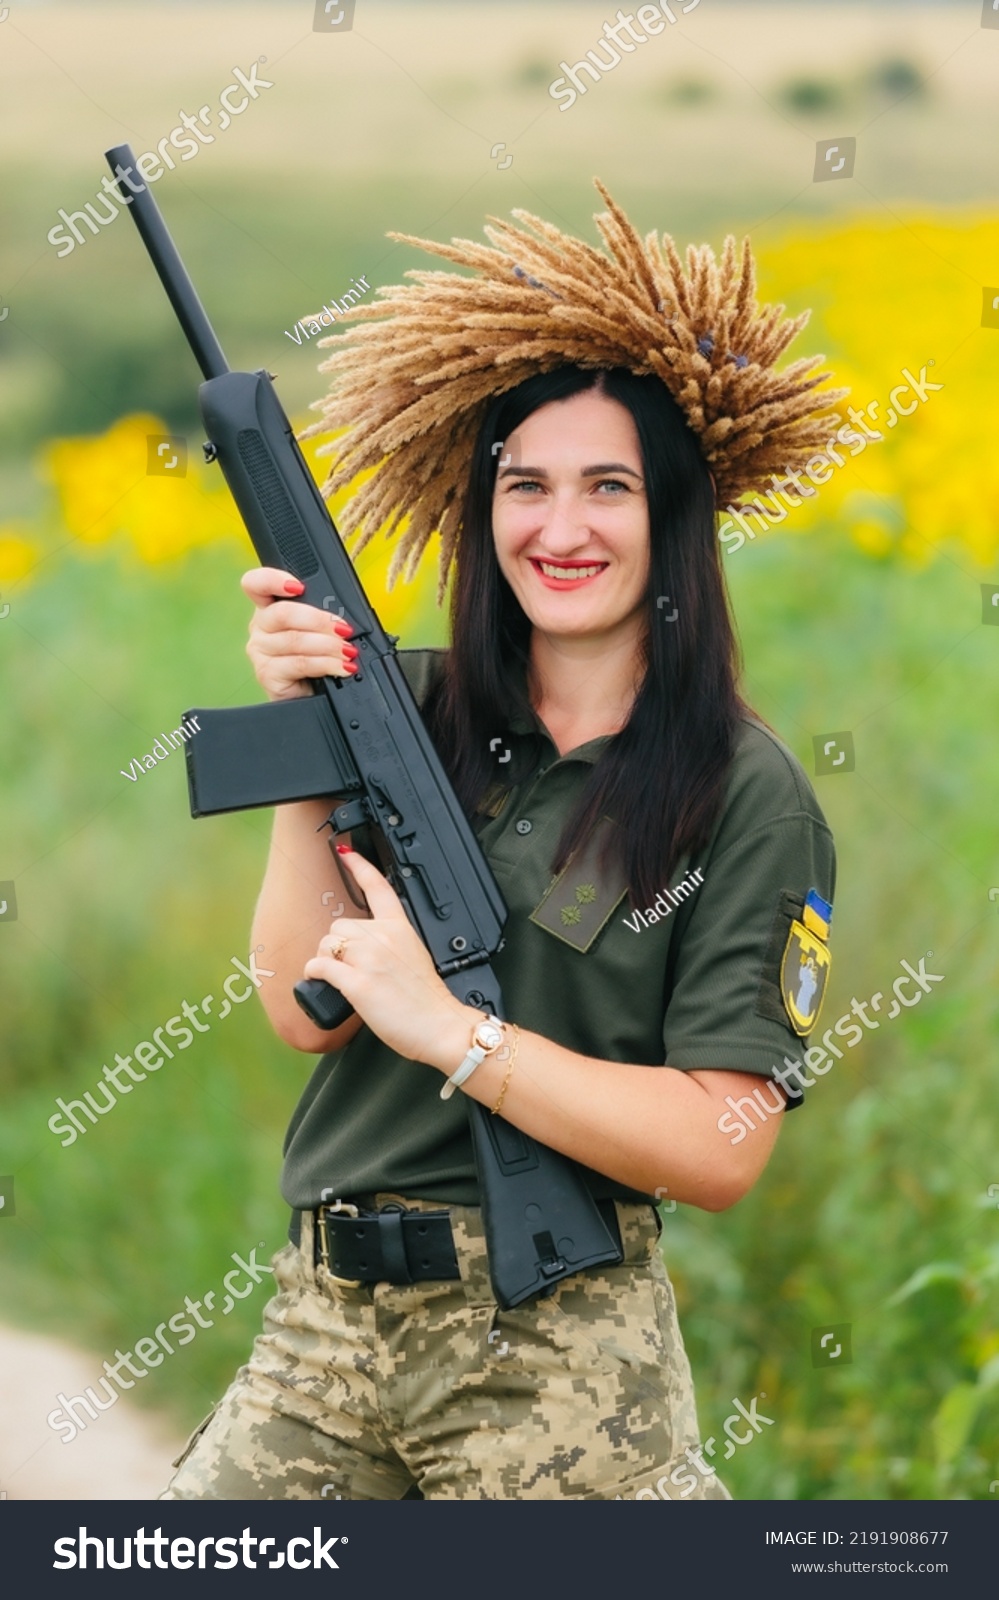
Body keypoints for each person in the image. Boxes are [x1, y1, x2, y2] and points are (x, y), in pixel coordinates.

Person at [162, 183, 839, 1502]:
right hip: (325, 1330)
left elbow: (725, 1141)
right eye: (524, 486)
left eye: (608, 488)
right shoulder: (403, 706)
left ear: (675, 521)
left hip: (558, 1355)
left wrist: (458, 1037)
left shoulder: (743, 796)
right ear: (484, 517)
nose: (560, 528)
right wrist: (315, 750)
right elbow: (305, 1014)